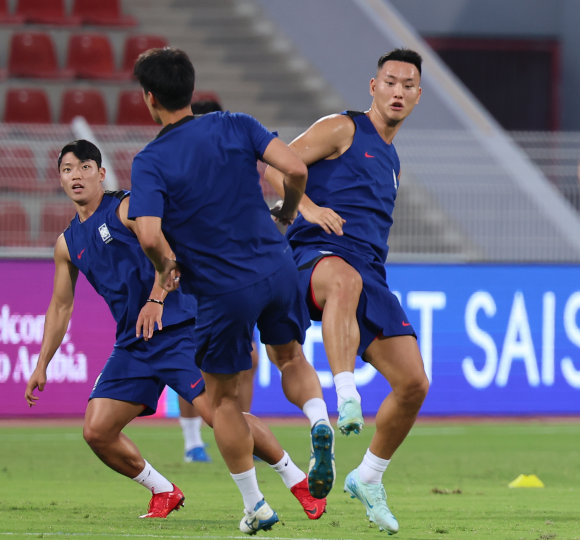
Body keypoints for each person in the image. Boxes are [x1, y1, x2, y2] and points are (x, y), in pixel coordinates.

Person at [24, 140, 327, 522]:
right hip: (134, 344)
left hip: (179, 327)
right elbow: (60, 307)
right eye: (68, 170)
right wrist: (41, 364)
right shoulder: (67, 244)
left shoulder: (126, 208)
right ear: (60, 180)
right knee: (97, 430)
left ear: (101, 173)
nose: (76, 175)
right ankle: (163, 490)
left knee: (221, 416)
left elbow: (171, 251)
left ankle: (297, 479)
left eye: (85, 167)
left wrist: (155, 298)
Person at [128, 48, 334, 534]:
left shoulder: (151, 160)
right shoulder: (237, 123)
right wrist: (286, 212)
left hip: (223, 287)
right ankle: (319, 422)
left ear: (149, 98)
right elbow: (297, 170)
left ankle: (255, 504)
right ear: (191, 87)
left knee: (223, 404)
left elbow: (150, 235)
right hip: (277, 266)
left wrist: (168, 266)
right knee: (291, 358)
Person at [265, 49, 430, 534]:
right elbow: (275, 166)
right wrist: (309, 207)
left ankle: (369, 476)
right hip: (313, 255)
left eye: (408, 85)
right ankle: (345, 390)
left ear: (418, 96)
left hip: (368, 273)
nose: (398, 91)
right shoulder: (343, 127)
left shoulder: (394, 159)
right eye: (391, 82)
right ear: (373, 86)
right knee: (345, 280)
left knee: (414, 384)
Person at [179, 97, 258, 463]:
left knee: (250, 359)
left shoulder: (235, 171)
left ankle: (244, 432)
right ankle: (193, 440)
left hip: (236, 277)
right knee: (195, 360)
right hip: (195, 279)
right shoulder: (178, 168)